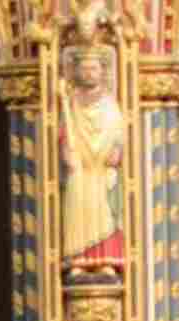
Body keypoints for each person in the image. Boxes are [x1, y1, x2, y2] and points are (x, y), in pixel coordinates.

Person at [60, 48, 125, 277]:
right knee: (78, 208)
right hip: (81, 167)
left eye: (94, 68)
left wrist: (118, 149)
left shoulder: (109, 102)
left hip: (102, 167)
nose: (89, 73)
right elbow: (64, 130)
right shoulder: (70, 102)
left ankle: (105, 260)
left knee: (105, 211)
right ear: (76, 72)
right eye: (84, 69)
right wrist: (66, 149)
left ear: (102, 72)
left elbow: (119, 129)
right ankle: (78, 259)